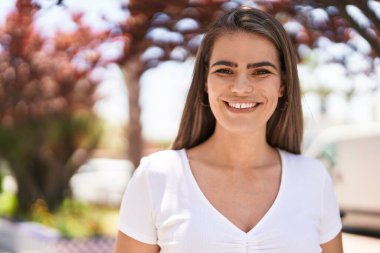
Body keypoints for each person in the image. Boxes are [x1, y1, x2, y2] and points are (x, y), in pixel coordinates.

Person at [113, 6, 343, 253]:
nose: (240, 88)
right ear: (205, 81)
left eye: (261, 71)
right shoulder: (157, 177)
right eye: (224, 70)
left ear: (282, 85)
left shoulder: (313, 178)